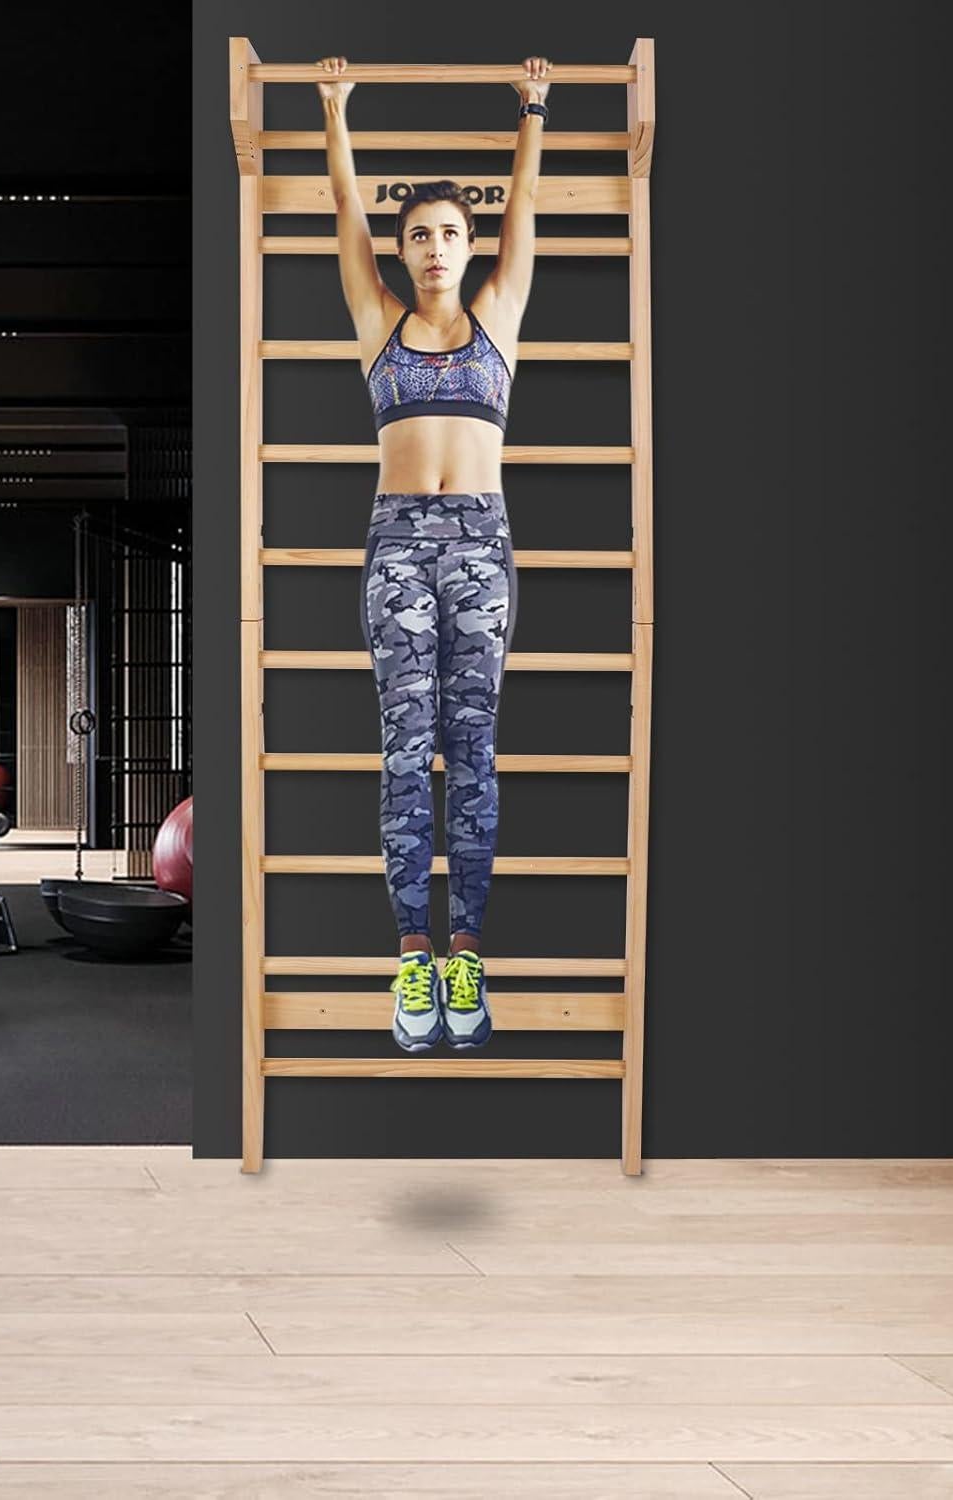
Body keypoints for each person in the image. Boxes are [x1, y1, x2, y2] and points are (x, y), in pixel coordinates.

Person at [316, 54, 551, 1052]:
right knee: (407, 750)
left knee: (476, 751)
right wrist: (335, 110)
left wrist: (531, 109)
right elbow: (344, 222)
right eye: (419, 235)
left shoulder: (499, 317)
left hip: (482, 545)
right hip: (400, 544)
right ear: (405, 250)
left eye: (450, 234)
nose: (435, 248)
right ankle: (412, 951)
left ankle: (466, 951)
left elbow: (527, 215)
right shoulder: (381, 324)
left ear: (469, 244)